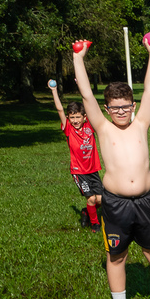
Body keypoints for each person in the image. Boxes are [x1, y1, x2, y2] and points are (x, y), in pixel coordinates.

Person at [71, 38, 150, 299]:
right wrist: (78, 59)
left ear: (133, 105)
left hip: (145, 201)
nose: (121, 111)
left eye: (126, 106)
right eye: (115, 107)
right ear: (107, 109)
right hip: (116, 203)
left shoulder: (141, 122)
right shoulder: (103, 128)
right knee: (116, 256)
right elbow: (86, 95)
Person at [49, 80, 102, 231]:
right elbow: (59, 109)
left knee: (100, 199)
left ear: (84, 117)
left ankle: (86, 211)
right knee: (91, 198)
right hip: (79, 171)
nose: (75, 121)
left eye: (78, 117)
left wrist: (82, 86)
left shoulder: (90, 125)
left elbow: (91, 103)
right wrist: (54, 91)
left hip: (93, 170)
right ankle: (95, 223)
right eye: (72, 118)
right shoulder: (68, 129)